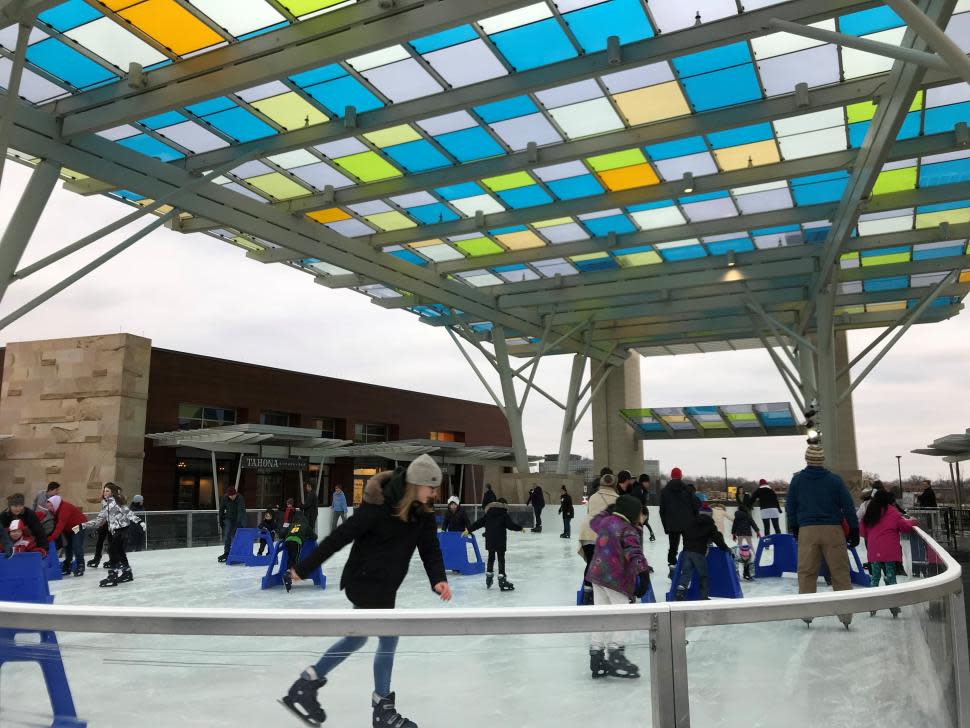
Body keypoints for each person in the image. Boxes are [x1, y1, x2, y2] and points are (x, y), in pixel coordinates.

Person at [280, 454, 450, 728]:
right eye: (431, 487)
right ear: (416, 484)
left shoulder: (423, 514)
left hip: (386, 584)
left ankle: (307, 683)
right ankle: (382, 708)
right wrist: (304, 567)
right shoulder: (378, 507)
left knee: (358, 638)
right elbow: (340, 537)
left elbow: (430, 549)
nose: (435, 493)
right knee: (388, 637)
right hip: (364, 581)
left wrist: (438, 579)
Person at [786, 444, 859, 627]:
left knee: (807, 572)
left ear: (807, 459)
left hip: (807, 531)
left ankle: (808, 613)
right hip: (833, 530)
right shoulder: (835, 480)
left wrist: (795, 527)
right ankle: (845, 615)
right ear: (822, 460)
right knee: (840, 572)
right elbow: (848, 506)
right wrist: (854, 528)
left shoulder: (797, 480)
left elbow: (790, 507)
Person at [587, 494, 651, 679]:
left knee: (601, 614)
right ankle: (615, 653)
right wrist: (643, 574)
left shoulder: (606, 522)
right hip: (615, 580)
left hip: (597, 576)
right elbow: (634, 553)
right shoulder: (627, 529)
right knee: (623, 615)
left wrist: (608, 510)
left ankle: (596, 654)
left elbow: (593, 522)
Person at [860, 489, 918, 617]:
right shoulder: (893, 512)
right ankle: (894, 607)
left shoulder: (870, 513)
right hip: (889, 552)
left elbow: (863, 532)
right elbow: (905, 527)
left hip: (874, 552)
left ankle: (872, 606)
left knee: (875, 578)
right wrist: (913, 521)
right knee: (890, 578)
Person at [85, 484, 142, 587]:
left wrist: (140, 522)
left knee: (113, 550)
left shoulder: (116, 503)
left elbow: (128, 514)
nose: (104, 493)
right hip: (115, 530)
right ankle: (127, 572)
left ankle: (113, 575)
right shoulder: (109, 503)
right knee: (119, 551)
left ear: (112, 493)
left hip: (120, 530)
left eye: (107, 491)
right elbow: (99, 520)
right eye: (104, 491)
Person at [577, 472, 620, 604]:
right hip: (603, 534)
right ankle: (602, 594)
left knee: (591, 562)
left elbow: (589, 512)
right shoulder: (618, 498)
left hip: (587, 532)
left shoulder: (593, 496)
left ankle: (587, 593)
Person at [673, 507, 731, 601]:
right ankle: (703, 596)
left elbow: (684, 533)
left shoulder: (690, 522)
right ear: (710, 515)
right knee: (703, 575)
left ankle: (680, 592)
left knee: (686, 573)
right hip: (699, 553)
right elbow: (717, 539)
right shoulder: (710, 525)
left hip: (687, 551)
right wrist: (724, 547)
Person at [467, 497, 523, 590]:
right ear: (504, 505)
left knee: (491, 557)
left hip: (490, 541)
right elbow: (511, 525)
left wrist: (468, 530)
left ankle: (489, 577)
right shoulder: (504, 514)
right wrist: (520, 528)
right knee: (501, 559)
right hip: (500, 541)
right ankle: (502, 579)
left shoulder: (488, 514)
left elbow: (478, 523)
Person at [659, 468, 698, 576]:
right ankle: (687, 568)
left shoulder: (665, 491)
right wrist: (695, 521)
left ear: (671, 476)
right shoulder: (688, 490)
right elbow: (696, 506)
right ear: (681, 476)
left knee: (673, 547)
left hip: (672, 524)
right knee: (688, 546)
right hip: (688, 524)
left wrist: (666, 526)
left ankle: (672, 567)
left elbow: (662, 511)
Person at [45, 495, 88, 577]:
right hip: (68, 528)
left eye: (51, 506)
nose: (49, 508)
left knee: (76, 545)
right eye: (48, 506)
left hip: (78, 526)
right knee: (67, 546)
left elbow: (59, 527)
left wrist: (50, 539)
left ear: (55, 504)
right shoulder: (56, 509)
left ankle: (80, 565)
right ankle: (68, 565)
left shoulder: (64, 509)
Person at [281, 510, 317, 593]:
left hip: (288, 541)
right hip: (296, 542)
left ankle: (287, 571)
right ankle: (289, 575)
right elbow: (314, 536)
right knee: (296, 559)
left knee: (290, 557)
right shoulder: (305, 525)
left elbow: (282, 534)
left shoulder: (291, 524)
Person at [731, 504, 760, 581]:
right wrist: (757, 531)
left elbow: (734, 525)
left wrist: (733, 534)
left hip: (740, 532)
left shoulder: (737, 517)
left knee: (739, 545)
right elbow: (753, 523)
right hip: (747, 532)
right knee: (750, 545)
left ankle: (738, 555)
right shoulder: (748, 515)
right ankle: (753, 555)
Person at [218, 487, 247, 563]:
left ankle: (239, 551)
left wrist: (238, 523)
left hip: (239, 518)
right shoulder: (225, 498)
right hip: (229, 518)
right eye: (230, 496)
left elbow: (241, 511)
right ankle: (227, 552)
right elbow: (221, 510)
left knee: (237, 534)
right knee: (227, 534)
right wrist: (221, 521)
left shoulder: (240, 498)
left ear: (236, 494)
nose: (232, 497)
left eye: (233, 495)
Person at [635, 474, 657, 542]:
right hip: (639, 514)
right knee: (644, 524)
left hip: (642, 513)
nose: (649, 484)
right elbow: (638, 503)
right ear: (643, 482)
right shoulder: (639, 490)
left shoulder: (643, 490)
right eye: (648, 482)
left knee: (646, 524)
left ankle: (651, 534)